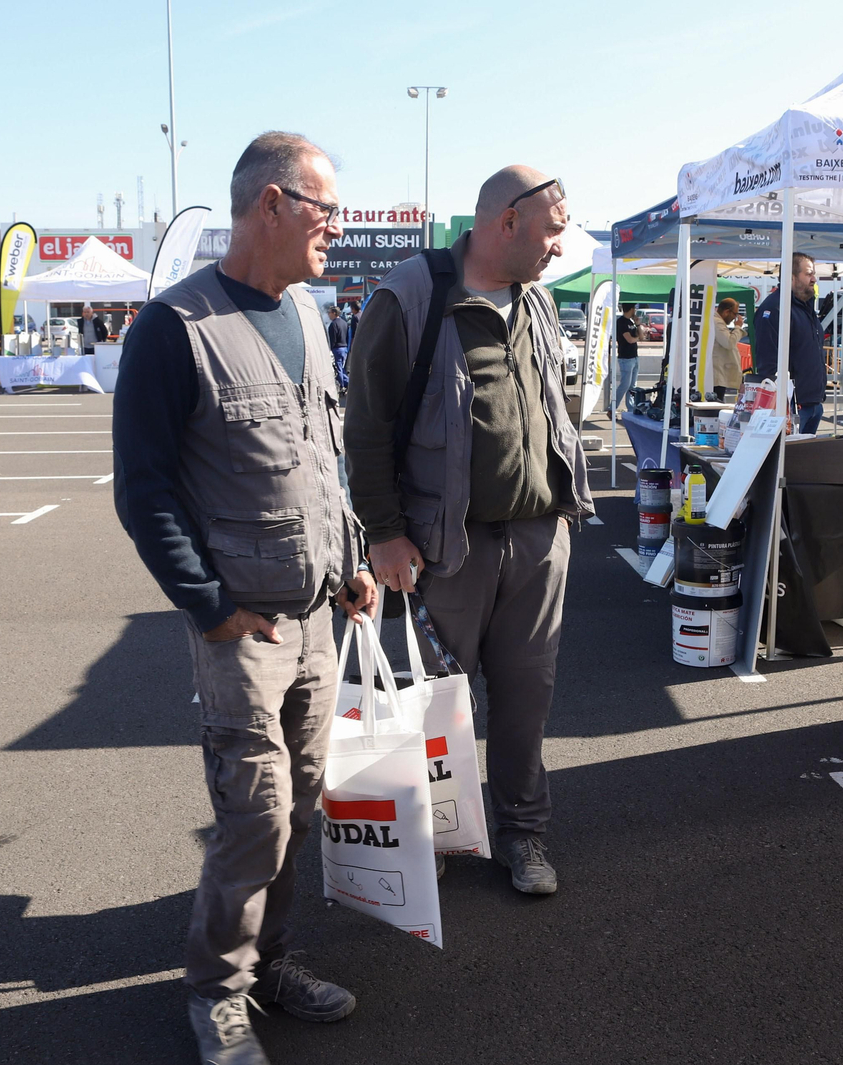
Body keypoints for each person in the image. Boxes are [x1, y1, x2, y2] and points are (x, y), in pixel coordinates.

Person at [112, 131, 376, 1065]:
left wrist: (350, 558)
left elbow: (320, 456)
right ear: (270, 204)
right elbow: (142, 491)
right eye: (325, 211)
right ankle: (216, 992)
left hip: (316, 620)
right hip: (243, 631)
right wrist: (210, 605)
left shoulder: (305, 315)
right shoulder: (173, 332)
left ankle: (273, 959)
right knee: (255, 813)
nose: (335, 231)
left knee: (300, 804)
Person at [344, 165, 594, 895]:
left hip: (539, 539)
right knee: (438, 704)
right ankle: (440, 835)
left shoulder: (538, 303)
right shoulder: (412, 297)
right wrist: (383, 531)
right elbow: (365, 428)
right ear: (505, 222)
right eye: (552, 229)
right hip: (447, 549)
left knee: (526, 698)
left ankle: (523, 834)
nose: (560, 244)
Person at [753, 252, 825, 434]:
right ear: (791, 278)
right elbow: (767, 363)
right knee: (790, 461)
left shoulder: (805, 307)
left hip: (813, 403)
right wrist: (782, 407)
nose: (814, 279)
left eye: (813, 274)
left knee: (806, 461)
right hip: (792, 408)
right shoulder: (775, 308)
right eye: (808, 274)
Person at [710, 296, 745, 401]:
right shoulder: (717, 322)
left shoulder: (715, 321)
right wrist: (738, 328)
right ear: (726, 311)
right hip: (717, 374)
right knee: (717, 403)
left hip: (718, 373)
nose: (735, 318)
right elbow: (729, 343)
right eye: (735, 314)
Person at [612, 303, 641, 411]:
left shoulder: (631, 322)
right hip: (625, 358)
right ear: (631, 309)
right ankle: (612, 407)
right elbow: (630, 340)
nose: (635, 311)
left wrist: (638, 325)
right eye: (634, 308)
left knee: (632, 386)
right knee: (625, 384)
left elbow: (641, 336)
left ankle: (631, 407)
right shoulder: (621, 322)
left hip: (634, 356)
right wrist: (637, 338)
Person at [325, 305, 349, 390]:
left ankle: (342, 385)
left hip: (337, 348)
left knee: (338, 368)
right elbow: (347, 336)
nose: (328, 314)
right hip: (344, 347)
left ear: (334, 313)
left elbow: (333, 339)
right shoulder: (344, 323)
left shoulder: (333, 324)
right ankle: (347, 382)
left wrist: (330, 348)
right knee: (342, 367)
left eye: (329, 312)